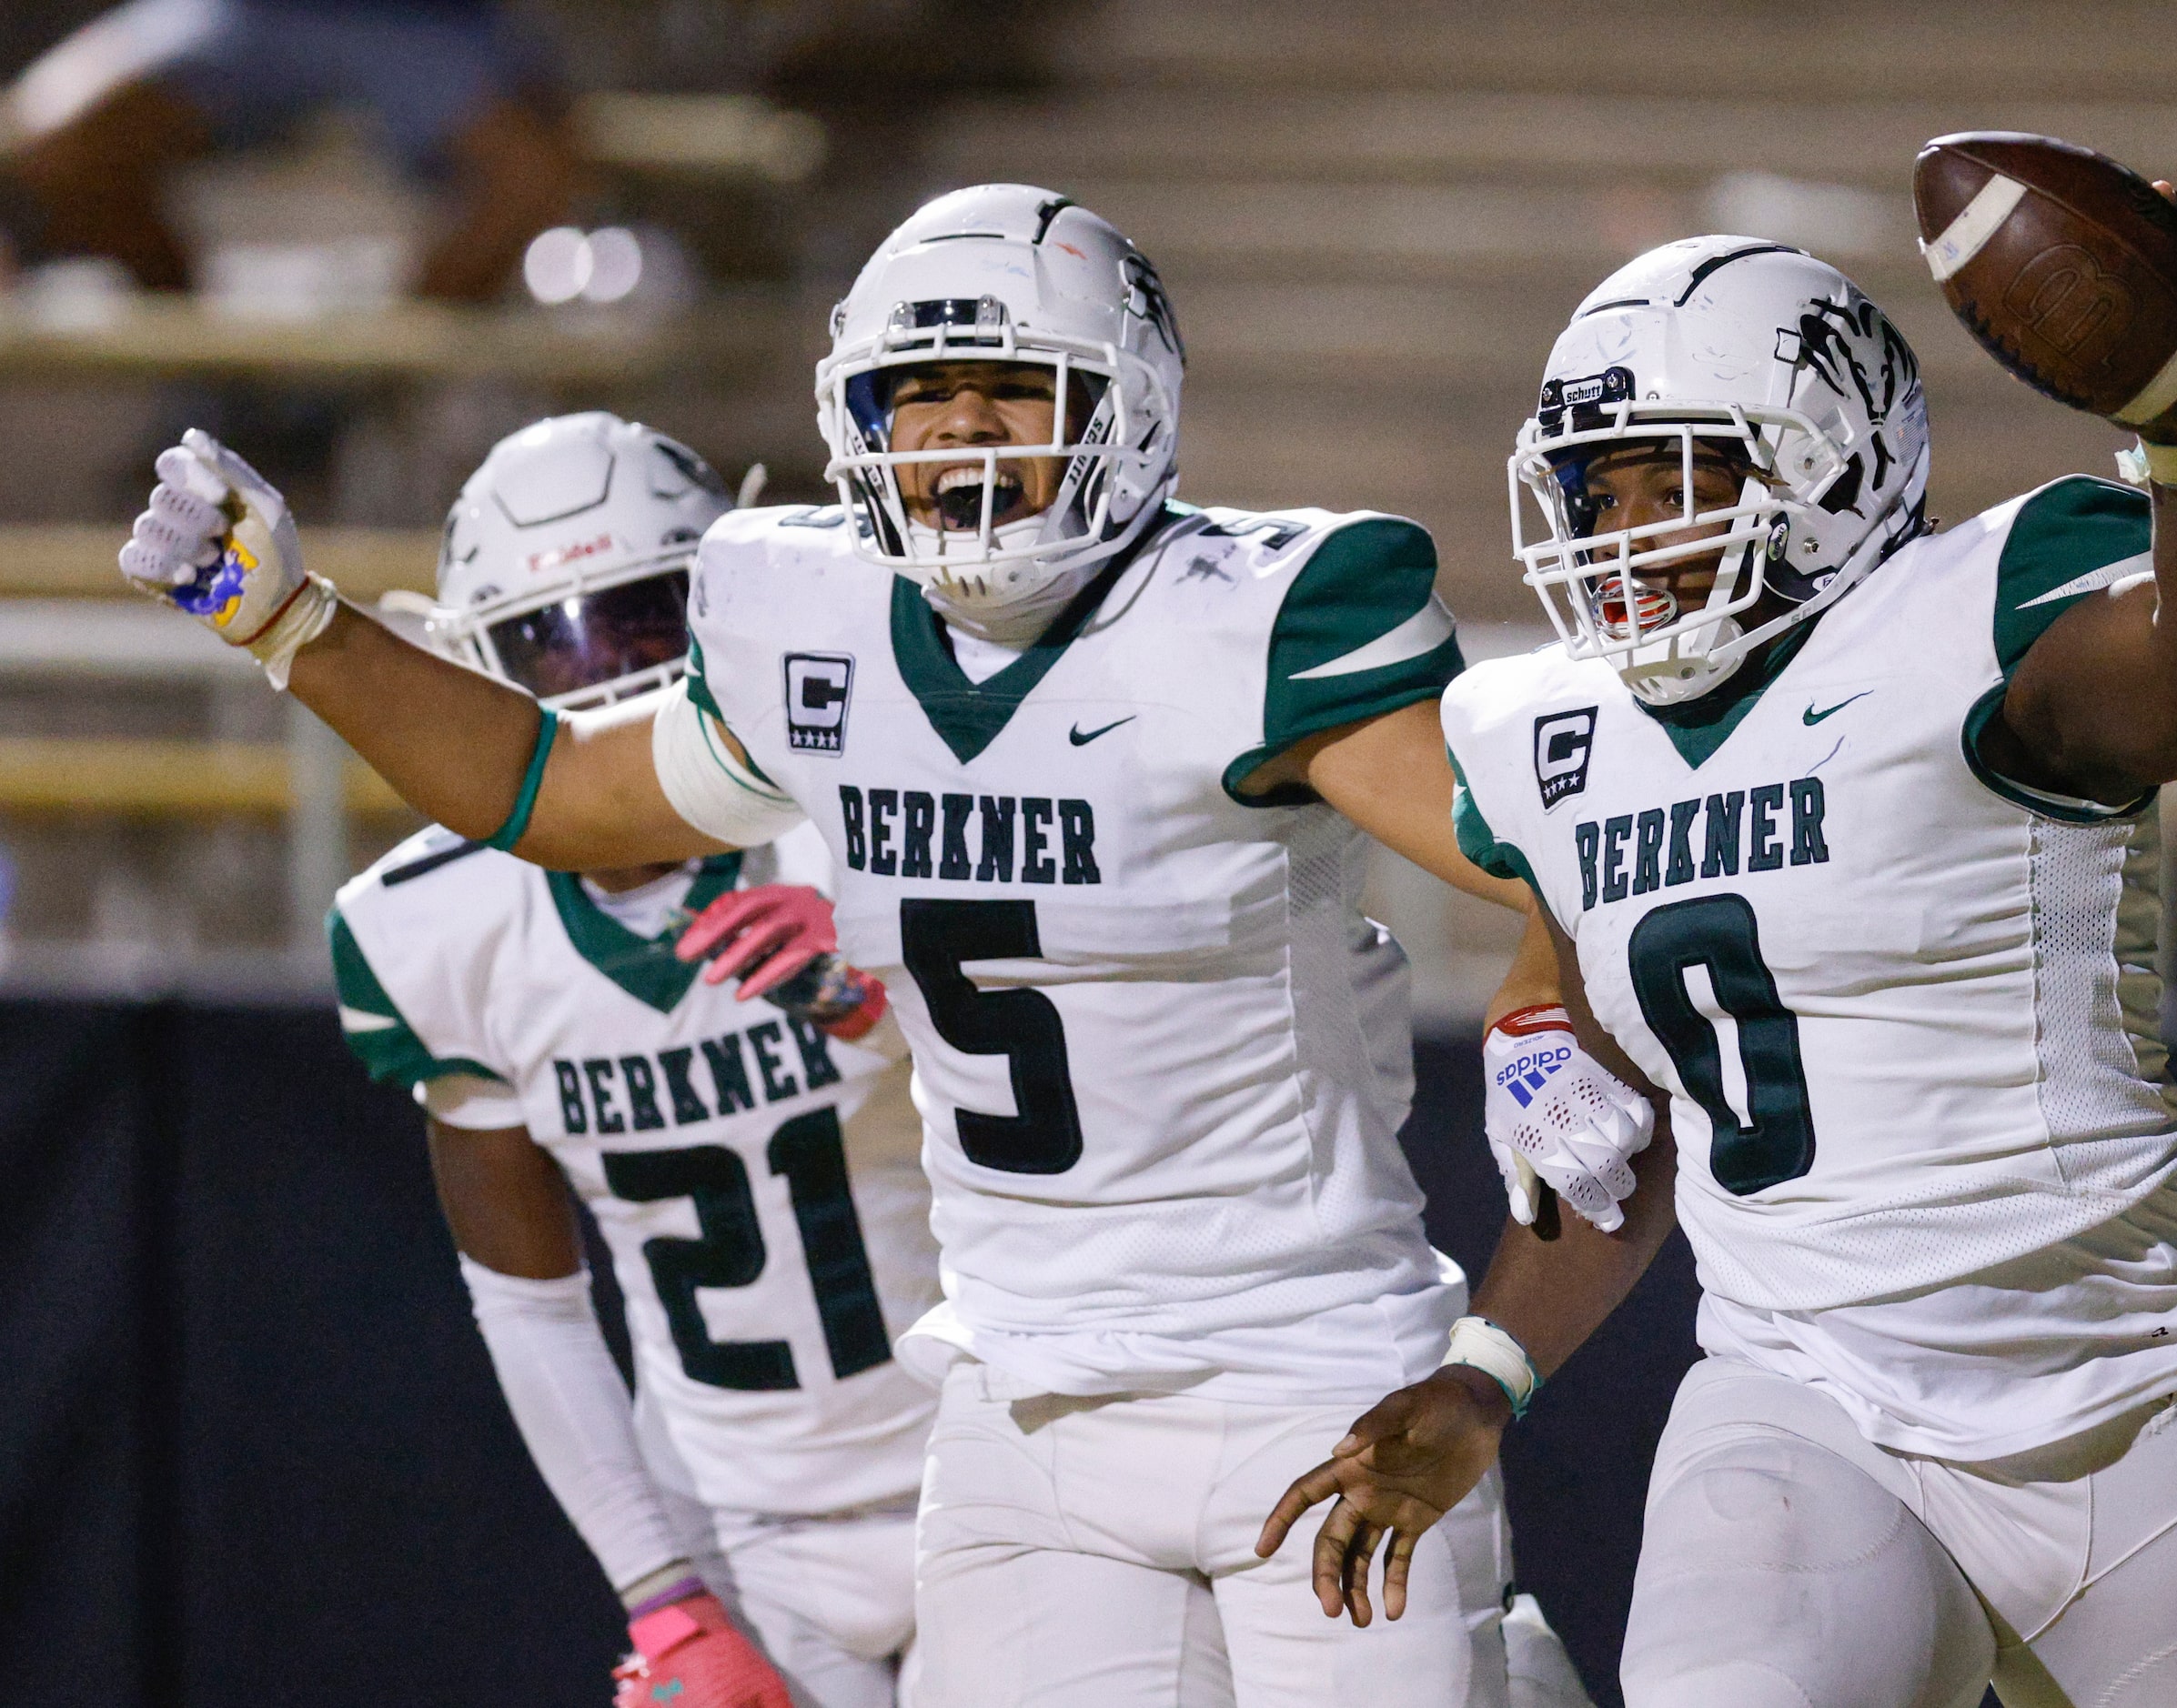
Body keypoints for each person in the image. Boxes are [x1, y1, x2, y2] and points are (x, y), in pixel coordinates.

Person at [117, 186, 1599, 1707]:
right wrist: (295, 621)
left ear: (1128, 401)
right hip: (1021, 1401)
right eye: (919, 395)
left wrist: (1543, 1003)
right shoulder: (808, 618)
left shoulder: (1258, 611)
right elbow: (552, 788)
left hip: (1306, 1367)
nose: (961, 433)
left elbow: (1570, 849)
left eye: (1015, 386)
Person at [1260, 220, 2177, 1708]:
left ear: (1825, 464)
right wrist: (1483, 1372)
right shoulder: (1556, 735)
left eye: (1675, 478)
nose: (1622, 530)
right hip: (1803, 1397)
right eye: (1597, 485)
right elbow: (1620, 1123)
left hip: (2127, 1407)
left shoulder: (1980, 606)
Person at [326, 412, 941, 1708]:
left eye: (646, 622)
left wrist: (914, 982)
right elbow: (531, 1304)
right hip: (736, 1525)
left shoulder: (877, 809)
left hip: (1000, 1469)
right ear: (467, 672)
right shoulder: (435, 926)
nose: (603, 679)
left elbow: (1101, 1112)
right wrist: (663, 1598)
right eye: (549, 642)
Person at [1, 0, 575, 299]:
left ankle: (368, 390)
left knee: (534, 173)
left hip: (424, 22)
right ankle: (223, 384)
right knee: (55, 146)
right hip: (245, 16)